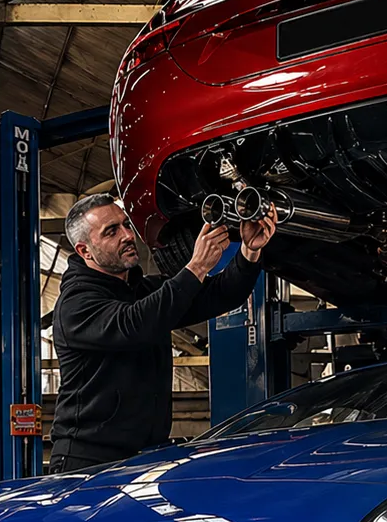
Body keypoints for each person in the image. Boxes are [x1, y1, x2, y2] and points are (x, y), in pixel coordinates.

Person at [48, 194, 276, 474]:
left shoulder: (143, 291)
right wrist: (196, 267)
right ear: (85, 251)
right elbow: (135, 325)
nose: (128, 235)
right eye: (112, 231)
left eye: (126, 225)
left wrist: (249, 253)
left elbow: (220, 295)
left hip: (144, 458)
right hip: (88, 462)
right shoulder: (76, 305)